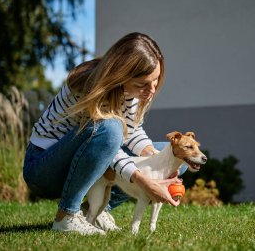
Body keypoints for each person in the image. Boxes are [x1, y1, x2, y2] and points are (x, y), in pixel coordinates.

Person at [23, 32, 185, 235]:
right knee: (111, 130)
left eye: (155, 80)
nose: (151, 90)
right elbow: (107, 141)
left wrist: (152, 154)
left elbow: (131, 131)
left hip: (88, 155)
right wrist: (144, 180)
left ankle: (95, 210)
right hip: (44, 169)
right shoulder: (89, 86)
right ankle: (66, 217)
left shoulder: (134, 91)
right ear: (121, 76)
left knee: (172, 155)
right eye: (143, 84)